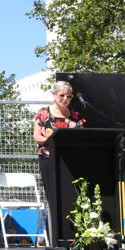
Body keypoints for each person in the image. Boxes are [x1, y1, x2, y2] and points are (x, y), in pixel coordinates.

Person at [33, 80, 85, 220]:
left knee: (71, 196)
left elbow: (82, 135)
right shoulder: (43, 113)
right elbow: (37, 136)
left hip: (70, 160)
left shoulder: (75, 116)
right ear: (54, 95)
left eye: (69, 96)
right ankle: (55, 233)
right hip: (49, 159)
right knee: (53, 196)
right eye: (62, 95)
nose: (65, 99)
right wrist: (50, 140)